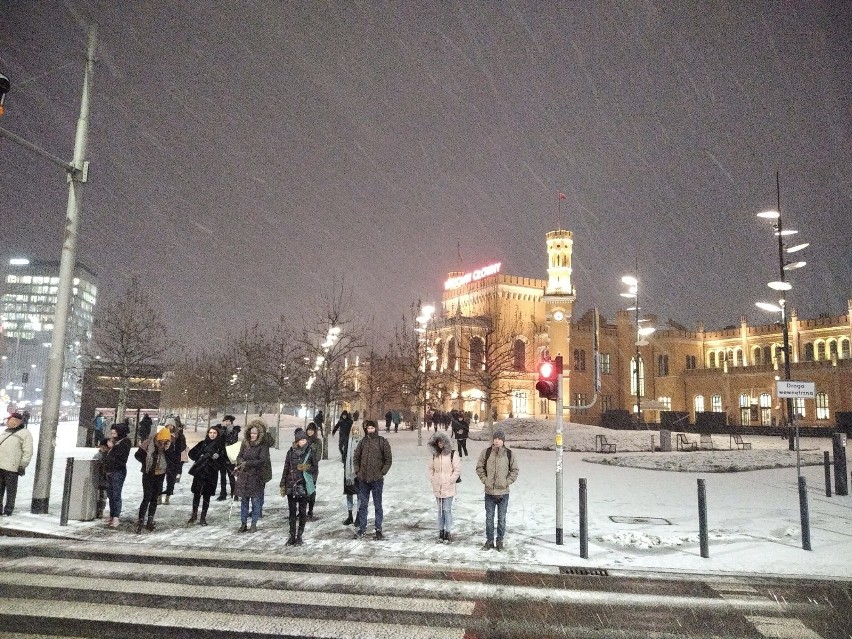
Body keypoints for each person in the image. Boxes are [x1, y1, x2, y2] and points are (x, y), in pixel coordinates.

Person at [475, 429, 519, 551]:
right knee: (489, 518)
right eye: (495, 438)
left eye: (499, 439)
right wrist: (485, 480)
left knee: (501, 518)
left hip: (503, 493)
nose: (497, 441)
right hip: (489, 492)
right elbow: (479, 467)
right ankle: (489, 540)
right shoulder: (486, 452)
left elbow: (515, 470)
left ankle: (500, 540)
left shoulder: (509, 454)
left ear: (503, 440)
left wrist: (507, 482)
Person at [353, 419, 392, 540]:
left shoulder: (382, 442)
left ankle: (378, 528)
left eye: (372, 428)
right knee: (363, 505)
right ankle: (362, 528)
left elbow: (388, 460)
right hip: (363, 479)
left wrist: (382, 472)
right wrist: (358, 471)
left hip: (377, 479)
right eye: (368, 428)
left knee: (378, 505)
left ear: (376, 428)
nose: (370, 430)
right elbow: (356, 458)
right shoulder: (363, 442)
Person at [279, 427, 318, 545]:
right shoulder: (290, 452)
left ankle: (299, 536)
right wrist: (282, 484)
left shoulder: (310, 452)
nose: (304, 442)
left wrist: (307, 468)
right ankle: (291, 535)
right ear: (297, 441)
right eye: (301, 440)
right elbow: (286, 468)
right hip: (291, 485)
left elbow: (315, 468)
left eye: (305, 440)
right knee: (291, 513)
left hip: (303, 485)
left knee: (302, 512)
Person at [133, 426, 172, 533]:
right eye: (162, 441)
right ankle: (141, 520)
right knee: (147, 497)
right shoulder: (149, 443)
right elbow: (137, 455)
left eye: (166, 441)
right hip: (148, 474)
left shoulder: (168, 447)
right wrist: (146, 462)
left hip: (160, 474)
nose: (163, 443)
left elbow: (171, 460)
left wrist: (167, 451)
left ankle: (150, 519)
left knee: (154, 498)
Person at [234, 421, 270, 532]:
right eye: (251, 433)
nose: (252, 435)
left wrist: (248, 463)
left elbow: (262, 460)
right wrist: (240, 462)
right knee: (244, 501)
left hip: (256, 477)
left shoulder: (263, 445)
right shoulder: (244, 443)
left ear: (258, 434)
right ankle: (243, 523)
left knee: (255, 502)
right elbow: (239, 456)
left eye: (255, 433)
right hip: (244, 477)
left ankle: (253, 524)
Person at [186, 425, 226, 525]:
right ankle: (194, 515)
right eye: (210, 433)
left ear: (218, 434)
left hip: (211, 474)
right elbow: (191, 454)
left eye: (214, 433)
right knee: (196, 495)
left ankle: (203, 517)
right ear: (208, 433)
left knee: (206, 496)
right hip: (200, 472)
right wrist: (200, 455)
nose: (212, 435)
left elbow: (225, 461)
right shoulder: (202, 444)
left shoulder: (220, 446)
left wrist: (219, 457)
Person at [427, 431, 461, 543]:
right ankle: (440, 531)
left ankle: (448, 532)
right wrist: (433, 479)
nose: (440, 444)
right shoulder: (434, 455)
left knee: (447, 509)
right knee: (440, 510)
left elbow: (457, 469)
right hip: (437, 486)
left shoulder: (452, 454)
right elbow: (430, 468)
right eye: (438, 442)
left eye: (442, 441)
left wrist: (450, 480)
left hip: (448, 486)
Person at [0, 412, 34, 516]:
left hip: (12, 467)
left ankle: (8, 510)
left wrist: (22, 465)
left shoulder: (25, 433)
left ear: (15, 421)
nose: (7, 422)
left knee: (11, 491)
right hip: (0, 465)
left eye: (9, 420)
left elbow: (28, 451)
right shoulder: (5, 432)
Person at [104, 421, 131, 527]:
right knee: (110, 494)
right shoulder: (116, 442)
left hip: (118, 471)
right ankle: (112, 515)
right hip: (110, 471)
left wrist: (112, 447)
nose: (112, 435)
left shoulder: (124, 442)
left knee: (116, 494)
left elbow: (121, 458)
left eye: (114, 433)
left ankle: (116, 517)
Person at [342, 419, 364, 526]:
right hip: (348, 473)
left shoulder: (363, 442)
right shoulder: (348, 441)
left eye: (357, 430)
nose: (355, 432)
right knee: (349, 494)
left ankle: (359, 516)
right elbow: (344, 455)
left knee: (360, 495)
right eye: (354, 430)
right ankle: (350, 515)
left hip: (359, 473)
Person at [161, 417, 186, 505]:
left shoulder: (179, 436)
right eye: (168, 425)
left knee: (170, 479)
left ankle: (168, 496)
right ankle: (158, 497)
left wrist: (173, 447)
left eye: (171, 425)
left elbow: (182, 447)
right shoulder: (162, 434)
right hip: (163, 459)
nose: (170, 427)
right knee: (159, 479)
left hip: (174, 460)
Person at [218, 415, 239, 500]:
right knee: (222, 476)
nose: (226, 423)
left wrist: (225, 433)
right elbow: (219, 441)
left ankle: (234, 494)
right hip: (222, 456)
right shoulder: (221, 430)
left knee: (231, 475)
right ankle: (223, 494)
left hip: (230, 456)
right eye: (225, 421)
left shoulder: (235, 430)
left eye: (228, 421)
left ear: (231, 422)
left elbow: (232, 440)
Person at [93, 437, 110, 519]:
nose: (104, 449)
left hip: (104, 481)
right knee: (99, 496)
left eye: (105, 447)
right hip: (99, 480)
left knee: (103, 497)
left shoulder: (108, 456)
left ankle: (100, 511)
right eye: (102, 447)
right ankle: (97, 511)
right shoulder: (98, 456)